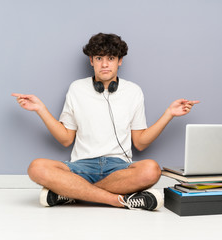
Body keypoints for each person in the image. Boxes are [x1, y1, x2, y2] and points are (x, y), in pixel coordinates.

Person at [12, 33, 199, 211]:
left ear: (119, 61)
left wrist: (169, 114)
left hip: (119, 168)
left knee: (151, 170)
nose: (104, 64)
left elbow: (140, 142)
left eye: (110, 58)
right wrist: (40, 109)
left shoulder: (133, 91)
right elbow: (66, 139)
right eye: (99, 58)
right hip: (81, 166)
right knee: (36, 167)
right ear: (91, 61)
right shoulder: (77, 88)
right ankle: (119, 200)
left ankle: (71, 193)